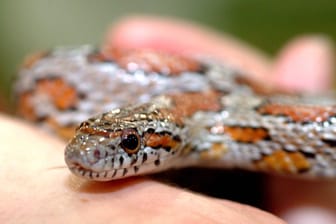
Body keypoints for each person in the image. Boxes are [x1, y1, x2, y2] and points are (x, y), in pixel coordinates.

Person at [1, 16, 335, 224]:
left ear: (171, 138)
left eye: (130, 144)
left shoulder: (208, 120)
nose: (86, 153)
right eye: (82, 131)